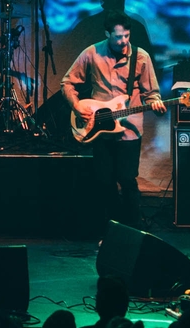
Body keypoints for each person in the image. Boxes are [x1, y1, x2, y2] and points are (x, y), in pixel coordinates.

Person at [60, 13, 166, 231]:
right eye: (118, 37)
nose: (123, 41)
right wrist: (77, 106)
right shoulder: (92, 52)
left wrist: (156, 103)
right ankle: (113, 229)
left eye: (127, 36)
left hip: (130, 129)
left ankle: (135, 230)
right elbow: (68, 83)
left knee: (127, 179)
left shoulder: (141, 57)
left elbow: (152, 94)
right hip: (100, 127)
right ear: (107, 34)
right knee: (104, 181)